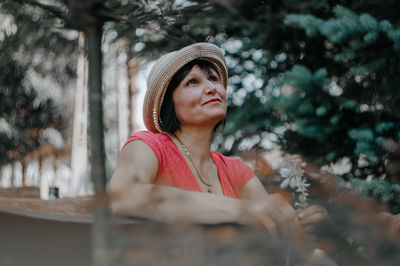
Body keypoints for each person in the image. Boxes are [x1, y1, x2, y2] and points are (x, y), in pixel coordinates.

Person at [108, 42, 326, 239]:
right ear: (169, 103)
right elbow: (122, 195)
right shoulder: (149, 146)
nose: (212, 87)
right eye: (192, 82)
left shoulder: (236, 169)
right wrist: (241, 209)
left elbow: (266, 216)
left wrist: (297, 221)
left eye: (213, 78)